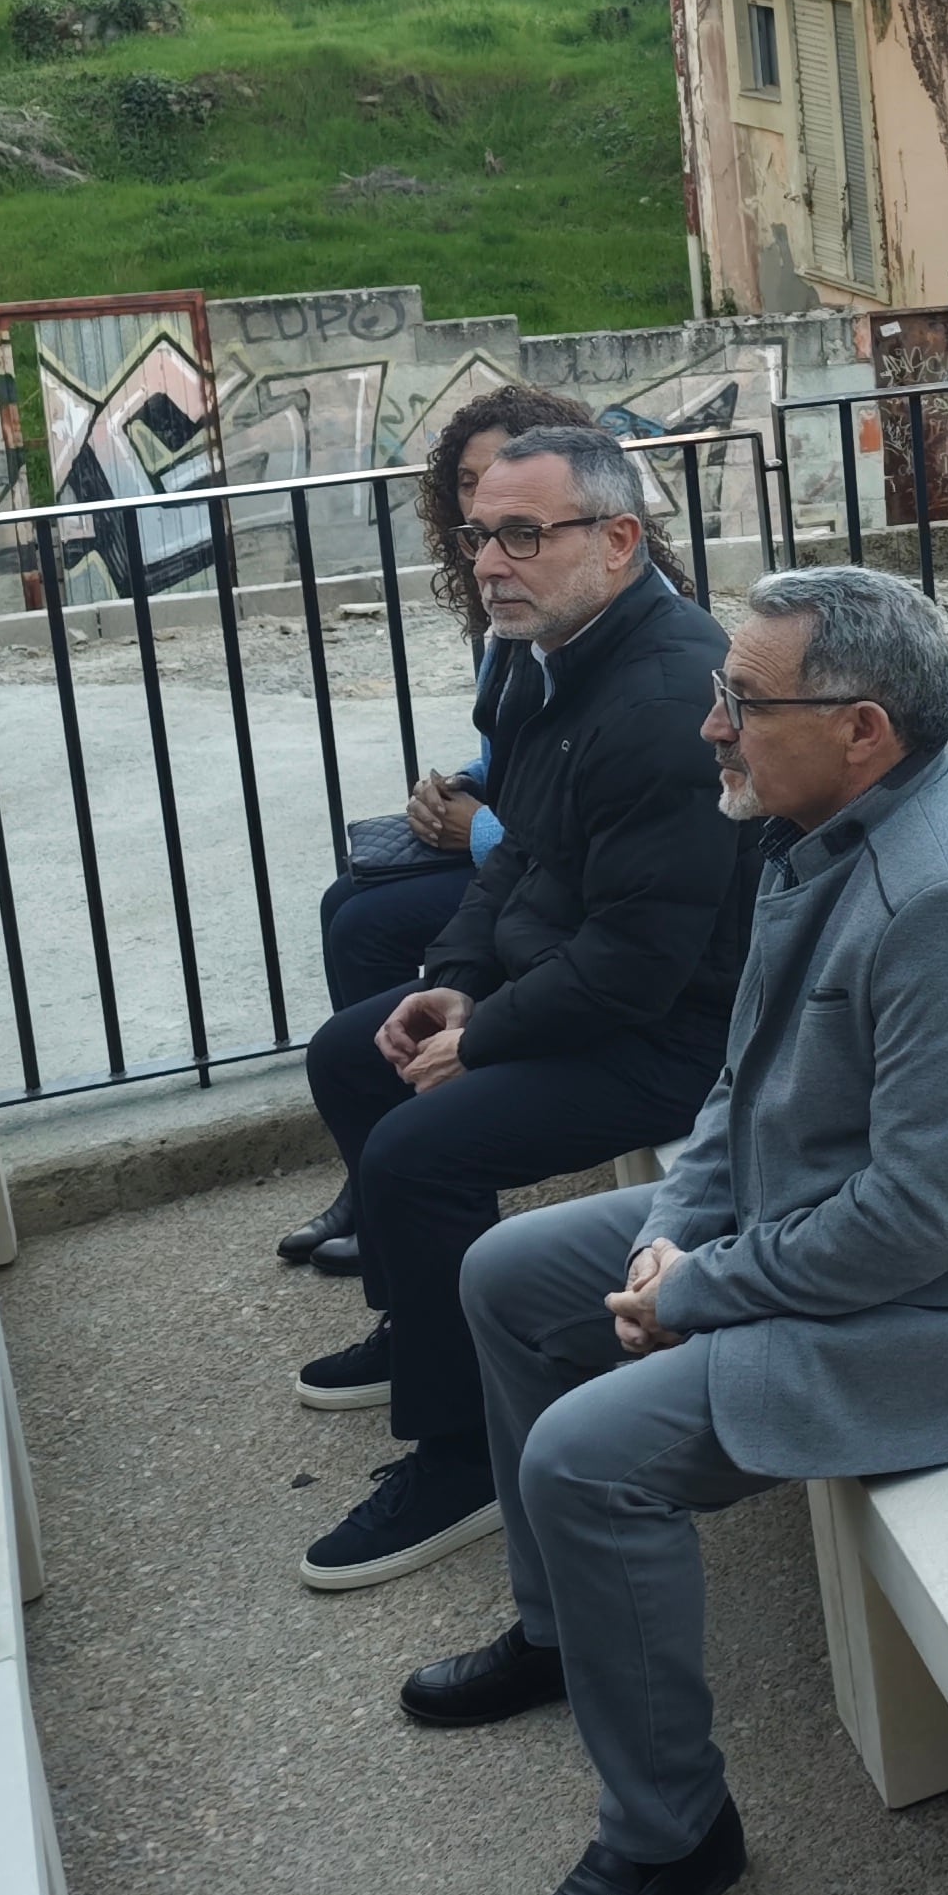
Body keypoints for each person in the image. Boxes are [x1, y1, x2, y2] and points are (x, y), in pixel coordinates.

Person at [401, 566, 948, 1895]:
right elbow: (741, 1088)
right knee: (506, 1274)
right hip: (841, 1224)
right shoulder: (827, 823)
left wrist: (698, 1289)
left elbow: (927, 1220)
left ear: (862, 730)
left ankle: (670, 1838)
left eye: (742, 702)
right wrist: (672, 1230)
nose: (710, 729)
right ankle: (563, 1633)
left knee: (586, 1458)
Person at [292, 427, 742, 1592]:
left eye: (525, 535)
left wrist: (481, 1035)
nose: (492, 562)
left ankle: (462, 1461)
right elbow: (519, 860)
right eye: (479, 533)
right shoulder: (546, 650)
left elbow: (643, 965)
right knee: (351, 1052)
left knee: (418, 1151)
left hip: (685, 1035)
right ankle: (425, 1340)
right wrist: (458, 978)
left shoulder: (655, 697)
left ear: (619, 540)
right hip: (602, 988)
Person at [279, 380, 610, 1278]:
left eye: (508, 494)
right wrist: (461, 785)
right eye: (467, 487)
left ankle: (402, 1175)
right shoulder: (510, 609)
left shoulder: (601, 618)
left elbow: (579, 832)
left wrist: (475, 830)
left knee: (369, 925)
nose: (484, 513)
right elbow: (519, 749)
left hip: (546, 887)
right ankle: (376, 1172)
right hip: (514, 854)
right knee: (347, 902)